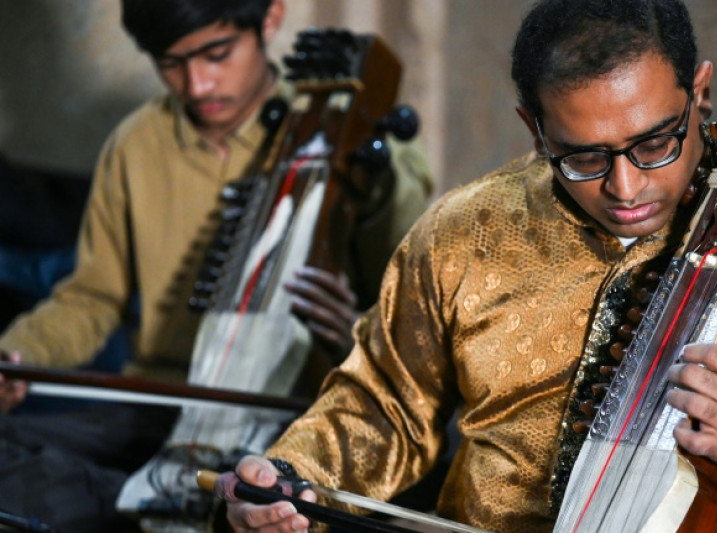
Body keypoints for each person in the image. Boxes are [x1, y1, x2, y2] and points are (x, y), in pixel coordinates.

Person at [223, 0, 717, 532]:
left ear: (699, 93)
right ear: (533, 128)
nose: (626, 187)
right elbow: (380, 403)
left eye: (656, 142)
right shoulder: (462, 233)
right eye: (584, 156)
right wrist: (293, 476)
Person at [0, 0, 432, 531]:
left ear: (270, 19)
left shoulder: (366, 144)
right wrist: (18, 354)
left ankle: (153, 502)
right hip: (157, 404)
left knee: (321, 487)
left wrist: (354, 332)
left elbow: (413, 331)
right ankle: (165, 499)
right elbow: (91, 297)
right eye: (171, 64)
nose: (196, 85)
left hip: (291, 413)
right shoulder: (137, 145)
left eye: (216, 54)